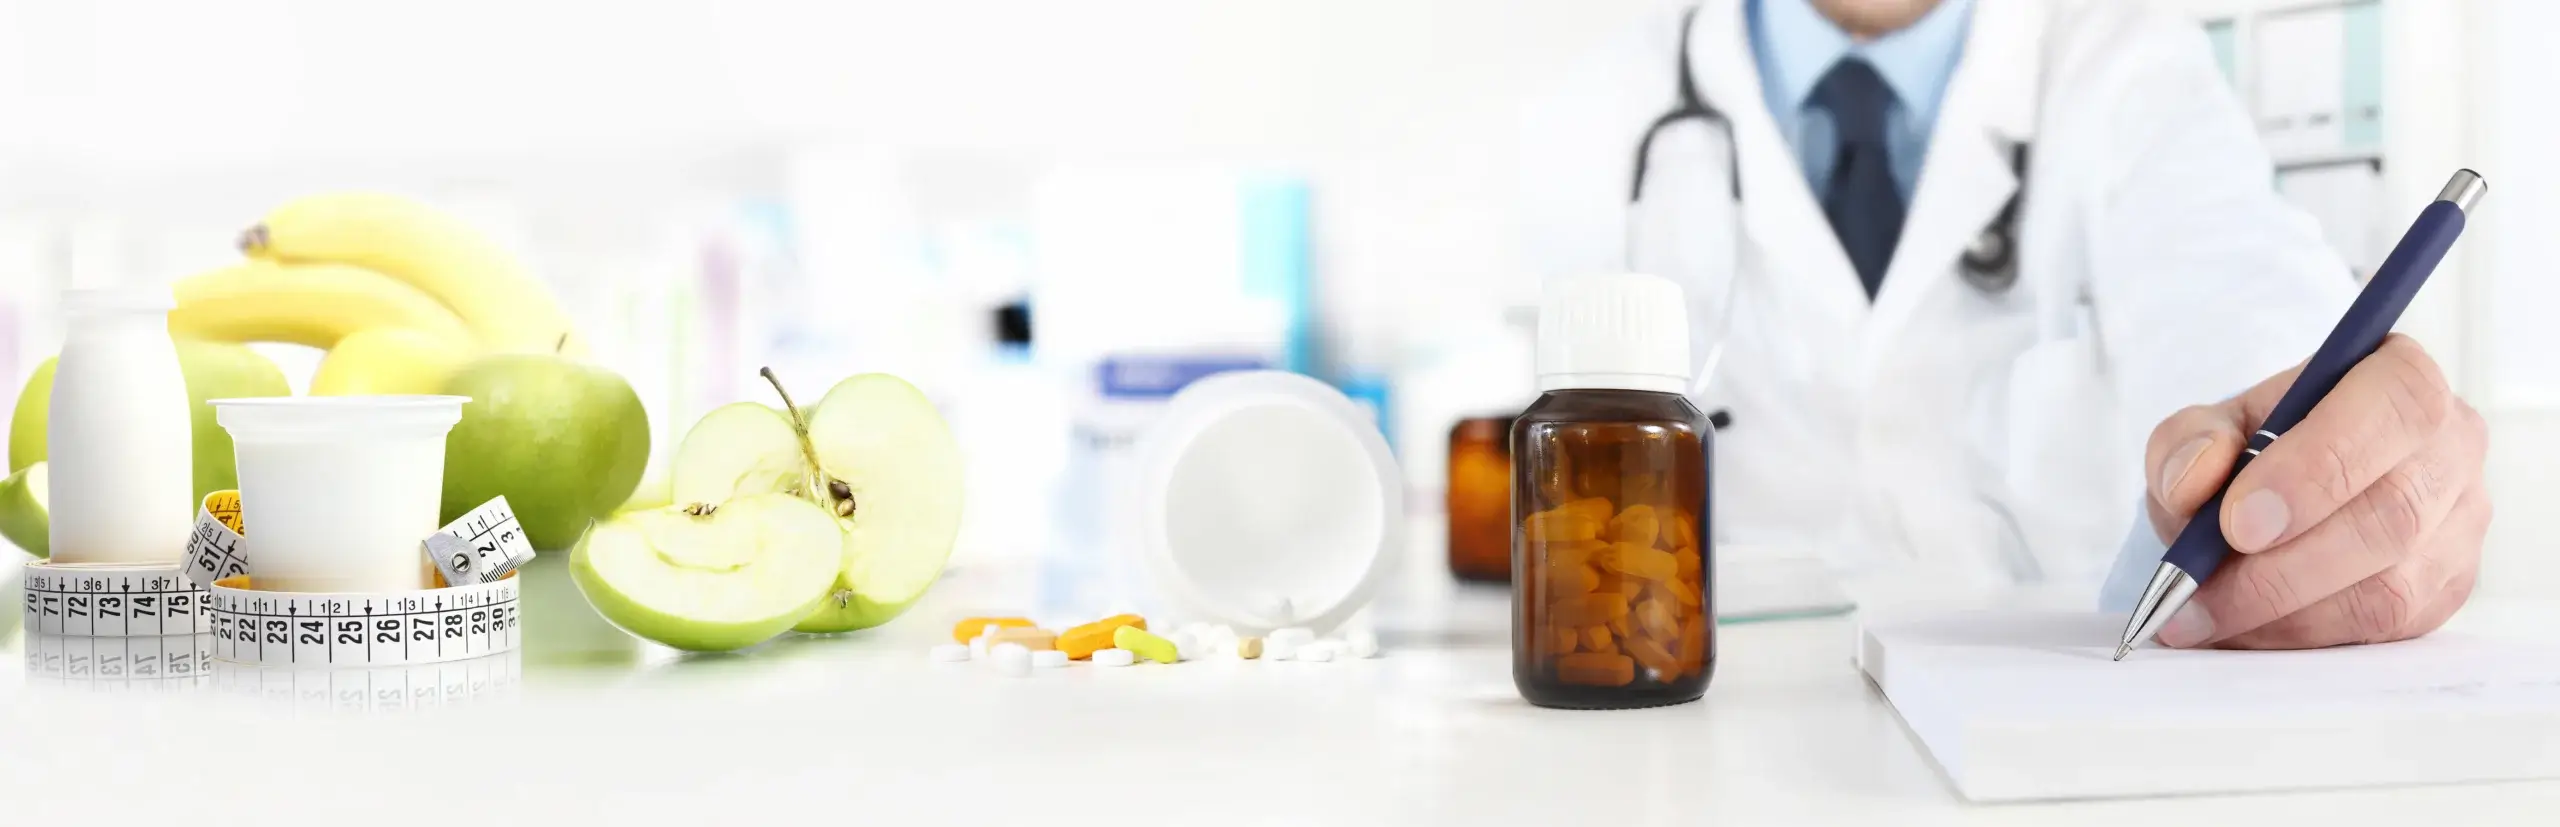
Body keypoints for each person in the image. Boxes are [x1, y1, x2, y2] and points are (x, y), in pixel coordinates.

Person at [1514, 0, 2488, 649]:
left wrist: (2343, 467)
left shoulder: (2123, 56)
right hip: (1712, 732)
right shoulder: (1597, 83)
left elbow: (2250, 319)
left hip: (2044, 737)